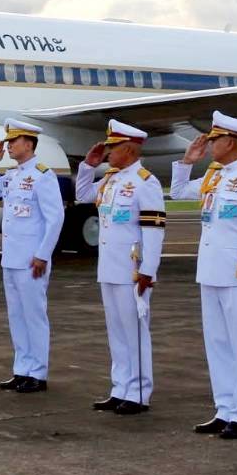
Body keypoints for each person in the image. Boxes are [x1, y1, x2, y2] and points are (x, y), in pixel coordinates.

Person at [169, 111, 237, 440]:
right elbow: (178, 193)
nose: (209, 145)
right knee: (217, 344)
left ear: (230, 142)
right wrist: (187, 162)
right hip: (210, 271)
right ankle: (224, 409)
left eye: (214, 140)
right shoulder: (214, 175)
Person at [75, 120, 165, 414]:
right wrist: (88, 167)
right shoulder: (111, 179)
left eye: (112, 147)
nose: (108, 152)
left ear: (128, 149)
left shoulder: (145, 182)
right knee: (117, 332)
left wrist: (148, 271)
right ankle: (120, 388)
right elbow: (83, 195)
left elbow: (154, 231)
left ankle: (138, 393)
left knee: (135, 332)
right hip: (109, 267)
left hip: (132, 270)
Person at [0, 119, 65, 394]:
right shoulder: (13, 175)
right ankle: (22, 369)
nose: (8, 146)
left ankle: (38, 373)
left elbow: (55, 218)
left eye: (13, 141)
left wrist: (43, 255)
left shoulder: (43, 175)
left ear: (28, 144)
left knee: (34, 316)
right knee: (17, 317)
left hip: (31, 260)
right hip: (11, 258)